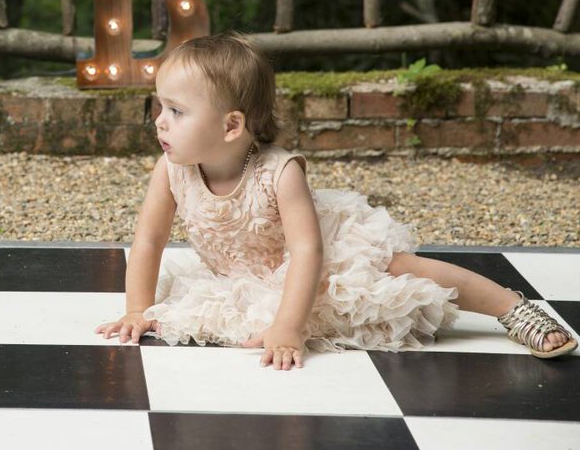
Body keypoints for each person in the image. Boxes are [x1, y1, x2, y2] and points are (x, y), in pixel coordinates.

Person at [95, 31, 576, 369]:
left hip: (324, 252)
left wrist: (288, 326)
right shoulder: (171, 170)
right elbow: (149, 240)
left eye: (176, 111)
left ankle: (509, 307)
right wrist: (138, 309)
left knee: (399, 268)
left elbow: (309, 251)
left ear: (231, 126)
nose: (159, 121)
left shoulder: (279, 173)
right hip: (249, 274)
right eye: (160, 106)